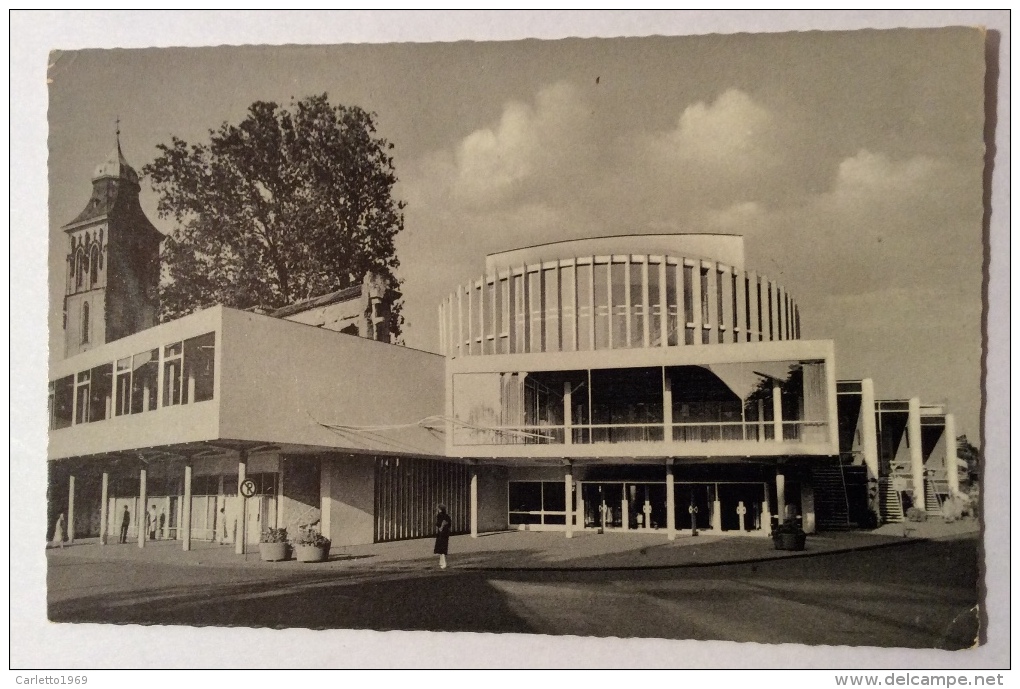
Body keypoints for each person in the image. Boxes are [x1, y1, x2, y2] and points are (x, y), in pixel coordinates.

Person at [434, 504, 452, 569]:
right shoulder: (447, 516)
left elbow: (439, 524)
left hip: (441, 533)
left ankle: (443, 563)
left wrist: (441, 527)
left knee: (441, 548)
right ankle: (441, 562)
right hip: (446, 533)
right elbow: (449, 524)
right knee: (443, 547)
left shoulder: (439, 515)